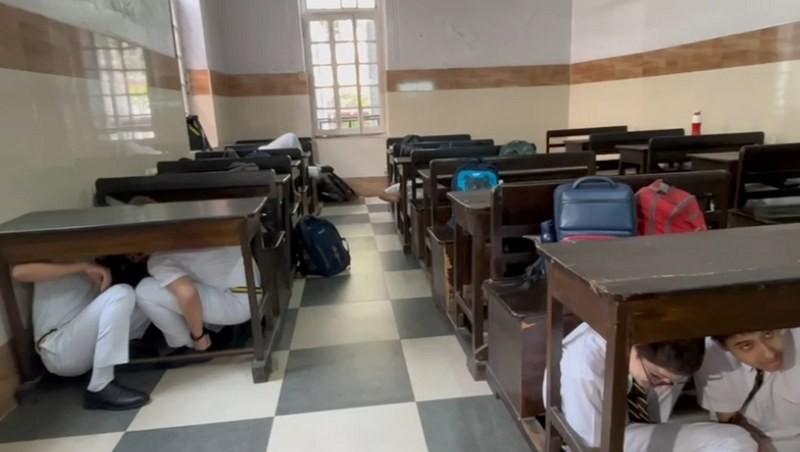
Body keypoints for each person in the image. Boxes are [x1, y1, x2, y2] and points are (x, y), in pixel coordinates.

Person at [545, 323, 757, 451]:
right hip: (598, 442)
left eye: (674, 382)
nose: (665, 388)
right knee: (733, 441)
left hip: (636, 429)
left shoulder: (657, 349)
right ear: (633, 348)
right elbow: (592, 446)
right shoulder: (585, 367)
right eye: (657, 376)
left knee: (737, 441)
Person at [12, 261, 151, 410]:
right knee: (121, 293)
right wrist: (84, 266)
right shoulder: (53, 251)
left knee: (145, 291)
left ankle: (123, 350)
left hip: (82, 340)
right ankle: (100, 386)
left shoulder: (87, 254)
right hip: (58, 347)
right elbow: (19, 272)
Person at [133, 245, 259, 353]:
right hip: (254, 284)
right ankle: (219, 330)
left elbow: (188, 294)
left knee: (145, 290)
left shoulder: (159, 259)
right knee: (184, 280)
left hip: (238, 303)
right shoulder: (193, 232)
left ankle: (185, 344)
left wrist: (198, 337)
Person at [695, 329, 800, 452]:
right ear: (723, 346)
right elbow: (728, 419)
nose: (769, 354)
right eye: (746, 345)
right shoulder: (711, 352)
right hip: (753, 440)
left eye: (768, 334)